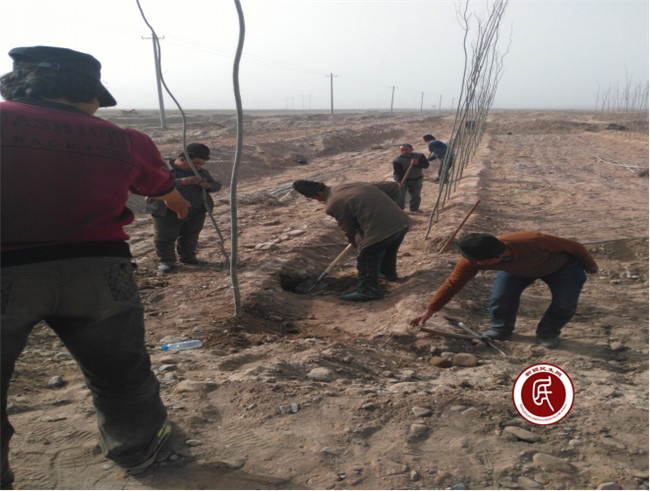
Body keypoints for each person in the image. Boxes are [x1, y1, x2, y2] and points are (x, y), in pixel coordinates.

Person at [0, 45, 192, 486]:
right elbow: (163, 189)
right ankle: (139, 448)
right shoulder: (124, 139)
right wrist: (178, 203)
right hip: (99, 270)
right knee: (120, 373)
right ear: (86, 93)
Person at [409, 232, 599, 349]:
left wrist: (590, 265)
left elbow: (574, 247)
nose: (474, 264)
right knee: (501, 297)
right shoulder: (471, 260)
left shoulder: (532, 240)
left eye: (479, 262)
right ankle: (500, 329)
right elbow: (453, 283)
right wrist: (430, 310)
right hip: (516, 271)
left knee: (565, 303)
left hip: (563, 268)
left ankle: (547, 333)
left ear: (495, 258)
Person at [292, 180, 411, 302]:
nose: (317, 201)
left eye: (314, 198)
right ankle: (388, 275)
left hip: (382, 229)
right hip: (401, 222)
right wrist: (388, 208)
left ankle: (368, 291)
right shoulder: (348, 185)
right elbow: (392, 186)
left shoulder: (332, 203)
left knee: (366, 258)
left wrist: (353, 241)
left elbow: (347, 226)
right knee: (388, 250)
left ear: (318, 193)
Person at [146, 143, 221, 273]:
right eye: (196, 163)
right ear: (182, 159)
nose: (198, 166)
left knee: (190, 235)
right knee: (166, 237)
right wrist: (181, 182)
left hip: (196, 210)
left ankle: (188, 258)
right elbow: (151, 186)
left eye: (201, 164)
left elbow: (216, 185)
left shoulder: (201, 172)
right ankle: (167, 261)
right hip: (167, 211)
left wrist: (208, 186)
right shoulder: (161, 169)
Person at [392, 143, 430, 212]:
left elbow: (426, 165)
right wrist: (399, 182)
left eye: (407, 150)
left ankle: (414, 209)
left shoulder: (419, 156)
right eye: (402, 150)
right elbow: (398, 173)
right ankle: (399, 210)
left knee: (415, 195)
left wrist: (417, 164)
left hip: (417, 179)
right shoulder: (397, 160)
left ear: (412, 149)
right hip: (404, 180)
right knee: (400, 196)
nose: (404, 152)